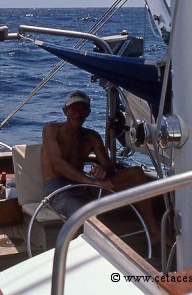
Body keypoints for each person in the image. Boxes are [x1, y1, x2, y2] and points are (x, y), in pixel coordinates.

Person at [42, 90, 162, 245]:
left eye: (83, 109)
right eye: (74, 109)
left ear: (89, 112)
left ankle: (154, 232)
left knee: (137, 174)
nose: (78, 114)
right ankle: (100, 251)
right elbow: (58, 164)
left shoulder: (91, 136)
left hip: (84, 185)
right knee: (84, 214)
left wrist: (104, 170)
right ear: (65, 111)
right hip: (59, 191)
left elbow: (107, 165)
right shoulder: (51, 130)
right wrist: (92, 181)